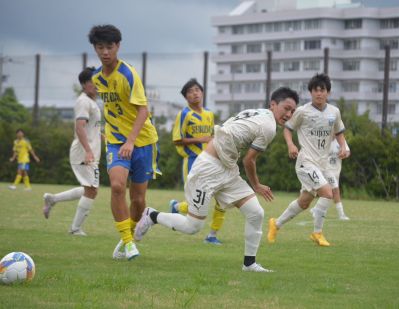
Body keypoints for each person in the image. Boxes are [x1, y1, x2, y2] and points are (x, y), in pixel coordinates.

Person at [135, 87, 298, 272]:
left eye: (293, 111)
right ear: (273, 104)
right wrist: (257, 185)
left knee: (256, 213)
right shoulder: (268, 126)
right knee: (193, 226)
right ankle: (152, 216)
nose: (289, 114)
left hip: (228, 169)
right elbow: (249, 160)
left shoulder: (259, 113)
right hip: (208, 169)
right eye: (286, 108)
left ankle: (249, 264)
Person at [89, 24, 160, 260]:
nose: (105, 51)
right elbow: (110, 109)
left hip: (143, 141)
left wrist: (131, 141)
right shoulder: (96, 78)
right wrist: (110, 134)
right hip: (116, 142)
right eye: (100, 47)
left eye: (110, 46)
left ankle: (127, 235)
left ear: (118, 46)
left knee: (138, 200)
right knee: (118, 186)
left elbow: (143, 111)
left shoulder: (128, 73)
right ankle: (129, 244)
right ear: (95, 48)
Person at [267, 73, 347, 247]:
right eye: (315, 90)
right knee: (328, 193)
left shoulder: (334, 112)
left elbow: (339, 132)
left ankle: (276, 224)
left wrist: (343, 147)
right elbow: (288, 129)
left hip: (323, 163)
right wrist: (290, 145)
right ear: (310, 92)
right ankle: (317, 233)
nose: (319, 93)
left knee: (304, 202)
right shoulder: (302, 111)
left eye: (322, 90)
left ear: (328, 92)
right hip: (306, 162)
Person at [42, 67, 102, 236]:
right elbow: (80, 127)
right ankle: (75, 229)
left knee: (88, 188)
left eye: (97, 80)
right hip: (83, 153)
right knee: (92, 190)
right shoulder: (83, 101)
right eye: (91, 81)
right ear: (84, 85)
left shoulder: (92, 102)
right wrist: (88, 151)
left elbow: (91, 128)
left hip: (90, 152)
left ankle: (52, 199)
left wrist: (103, 137)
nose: (96, 84)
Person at [169, 78, 225, 245]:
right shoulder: (184, 114)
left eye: (197, 90)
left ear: (202, 92)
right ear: (186, 97)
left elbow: (211, 137)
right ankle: (177, 207)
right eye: (190, 91)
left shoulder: (209, 114)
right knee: (199, 202)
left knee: (222, 199)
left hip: (212, 161)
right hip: (193, 161)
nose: (195, 93)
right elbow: (177, 140)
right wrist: (200, 138)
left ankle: (212, 235)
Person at [310, 138, 351, 220]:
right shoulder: (324, 140)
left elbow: (348, 151)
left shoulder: (341, 140)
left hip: (336, 170)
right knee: (335, 190)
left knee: (330, 193)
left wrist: (345, 154)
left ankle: (316, 209)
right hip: (326, 170)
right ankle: (341, 214)